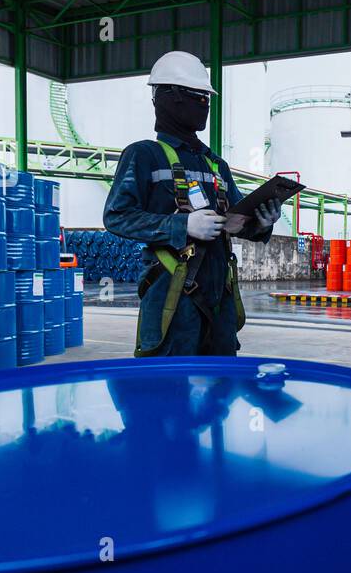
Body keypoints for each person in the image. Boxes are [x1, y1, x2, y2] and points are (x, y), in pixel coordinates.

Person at [103, 51, 282, 356]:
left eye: (206, 97)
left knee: (221, 385)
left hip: (219, 296)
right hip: (173, 296)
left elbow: (235, 220)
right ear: (169, 97)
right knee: (169, 385)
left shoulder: (216, 165)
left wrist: (260, 223)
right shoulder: (144, 155)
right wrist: (182, 224)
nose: (204, 104)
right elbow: (117, 216)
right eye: (197, 96)